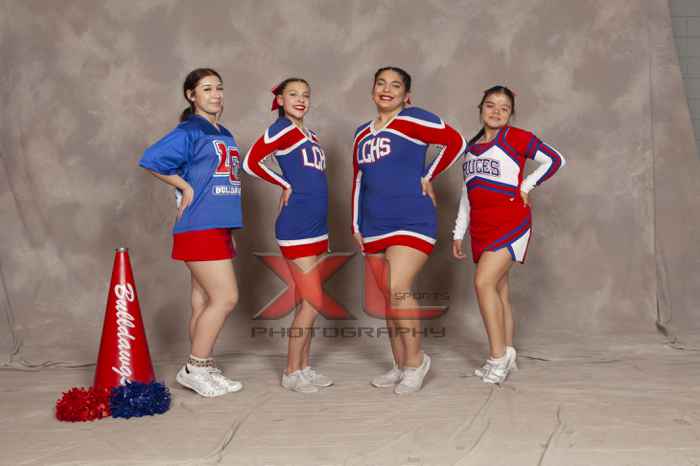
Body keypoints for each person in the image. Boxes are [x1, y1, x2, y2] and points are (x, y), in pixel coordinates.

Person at [352, 66, 466, 394]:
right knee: (388, 297)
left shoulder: (414, 118)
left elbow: (456, 142)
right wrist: (355, 223)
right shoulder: (361, 133)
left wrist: (428, 175)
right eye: (381, 83)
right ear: (373, 90)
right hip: (374, 222)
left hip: (412, 218)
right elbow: (357, 179)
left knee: (398, 287)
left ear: (407, 95)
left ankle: (416, 362)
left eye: (396, 85)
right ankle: (400, 363)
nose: (387, 90)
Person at [139, 68, 243, 397]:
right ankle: (195, 369)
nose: (216, 94)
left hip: (218, 225)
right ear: (191, 95)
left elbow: (219, 181)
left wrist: (228, 226)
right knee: (225, 298)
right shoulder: (190, 129)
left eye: (219, 88)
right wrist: (183, 187)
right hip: (199, 225)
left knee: (201, 302)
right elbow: (151, 159)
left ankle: (204, 365)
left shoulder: (224, 131)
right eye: (207, 88)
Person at [452, 85, 566, 384]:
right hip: (481, 226)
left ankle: (496, 357)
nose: (496, 112)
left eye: (504, 108)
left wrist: (526, 186)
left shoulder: (517, 137)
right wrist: (458, 231)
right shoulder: (470, 148)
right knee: (499, 289)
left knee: (483, 283)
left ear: (511, 114)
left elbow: (555, 159)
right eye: (491, 105)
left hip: (510, 221)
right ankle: (508, 351)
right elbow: (467, 194)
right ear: (480, 108)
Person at [243, 78, 333, 394]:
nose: (300, 99)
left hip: (318, 225)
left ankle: (304, 366)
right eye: (293, 94)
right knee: (313, 301)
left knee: (304, 301)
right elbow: (251, 162)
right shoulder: (281, 129)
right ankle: (291, 371)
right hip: (297, 225)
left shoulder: (311, 135)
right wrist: (284, 183)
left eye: (306, 95)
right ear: (280, 99)